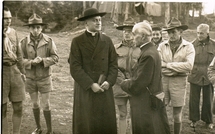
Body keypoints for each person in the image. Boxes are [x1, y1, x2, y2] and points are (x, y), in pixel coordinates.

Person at [68, 8, 118, 134]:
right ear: (86, 23)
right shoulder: (77, 42)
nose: (98, 22)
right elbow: (75, 67)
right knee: (87, 123)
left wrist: (109, 82)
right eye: (94, 20)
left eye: (99, 20)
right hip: (86, 90)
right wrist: (91, 84)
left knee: (105, 124)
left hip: (104, 88)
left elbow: (113, 65)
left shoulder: (107, 41)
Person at [120, 21, 171, 134]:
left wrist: (124, 83)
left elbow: (139, 83)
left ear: (142, 36)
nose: (132, 37)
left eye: (134, 34)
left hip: (145, 103)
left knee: (146, 129)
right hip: (150, 99)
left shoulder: (148, 54)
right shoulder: (150, 51)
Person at [20, 13, 59, 134]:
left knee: (46, 104)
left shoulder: (49, 41)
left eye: (38, 27)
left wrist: (43, 60)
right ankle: (39, 128)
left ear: (41, 28)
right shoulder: (23, 42)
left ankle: (50, 130)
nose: (35, 30)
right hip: (30, 78)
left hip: (44, 77)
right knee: (35, 103)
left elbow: (56, 58)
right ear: (29, 28)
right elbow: (19, 60)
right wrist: (31, 62)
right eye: (33, 27)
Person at [157, 17, 195, 134]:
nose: (171, 35)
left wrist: (168, 65)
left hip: (179, 83)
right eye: (169, 32)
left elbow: (188, 66)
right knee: (160, 110)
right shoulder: (162, 46)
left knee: (177, 114)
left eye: (173, 32)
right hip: (163, 81)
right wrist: (176, 69)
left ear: (180, 31)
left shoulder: (188, 46)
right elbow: (159, 65)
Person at [113, 17, 140, 134]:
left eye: (130, 31)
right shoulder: (115, 48)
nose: (127, 34)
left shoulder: (141, 49)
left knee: (136, 114)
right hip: (120, 85)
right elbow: (113, 67)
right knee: (122, 113)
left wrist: (134, 81)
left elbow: (143, 68)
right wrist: (123, 81)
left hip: (136, 86)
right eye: (125, 31)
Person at [2, 6, 26, 134]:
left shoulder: (14, 32)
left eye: (10, 18)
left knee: (19, 106)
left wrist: (22, 72)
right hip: (2, 73)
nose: (8, 21)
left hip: (15, 71)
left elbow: (19, 54)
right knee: (2, 108)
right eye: (5, 18)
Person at [188, 24, 215, 129]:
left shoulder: (214, 44)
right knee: (193, 99)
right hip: (195, 75)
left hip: (209, 76)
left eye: (202, 33)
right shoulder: (191, 45)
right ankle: (193, 120)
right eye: (198, 33)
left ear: (207, 33)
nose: (199, 35)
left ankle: (208, 121)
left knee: (208, 99)